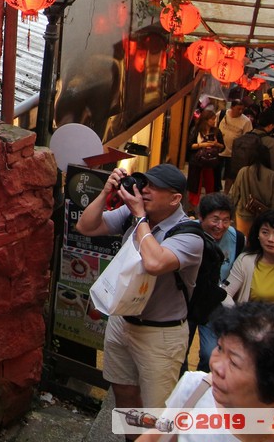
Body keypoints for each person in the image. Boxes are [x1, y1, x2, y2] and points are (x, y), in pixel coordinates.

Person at [76, 164, 204, 414]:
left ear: (175, 198)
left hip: (160, 334)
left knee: (156, 410)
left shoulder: (190, 235)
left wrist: (140, 218)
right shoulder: (132, 214)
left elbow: (155, 262)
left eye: (154, 187)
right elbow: (86, 227)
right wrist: (105, 193)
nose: (144, 191)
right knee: (124, 395)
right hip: (122, 323)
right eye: (144, 184)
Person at [134, 302, 274, 442]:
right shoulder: (196, 388)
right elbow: (156, 436)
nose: (216, 366)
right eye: (220, 348)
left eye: (234, 363)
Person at [190, 194, 244, 373]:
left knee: (210, 353)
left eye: (226, 220)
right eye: (215, 219)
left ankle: (200, 388)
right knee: (178, 354)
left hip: (216, 303)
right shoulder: (189, 234)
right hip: (187, 303)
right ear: (201, 218)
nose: (220, 226)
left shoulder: (238, 239)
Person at [228, 142, 274, 237]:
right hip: (264, 215)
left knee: (244, 241)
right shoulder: (272, 175)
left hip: (244, 213)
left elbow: (234, 194)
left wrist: (229, 212)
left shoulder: (243, 171)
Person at [187, 109, 223, 208]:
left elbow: (222, 146)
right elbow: (190, 145)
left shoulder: (216, 131)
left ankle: (210, 205)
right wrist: (202, 145)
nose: (214, 121)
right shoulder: (196, 130)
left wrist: (216, 144)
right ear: (206, 119)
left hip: (211, 161)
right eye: (212, 119)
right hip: (197, 160)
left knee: (211, 183)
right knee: (195, 185)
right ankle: (192, 207)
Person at [215, 102, 252, 192]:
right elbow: (214, 127)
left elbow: (247, 137)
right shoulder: (221, 114)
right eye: (238, 109)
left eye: (242, 109)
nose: (240, 111)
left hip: (233, 153)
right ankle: (215, 189)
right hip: (218, 150)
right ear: (232, 107)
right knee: (215, 173)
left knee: (230, 175)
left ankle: (226, 193)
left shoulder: (246, 121)